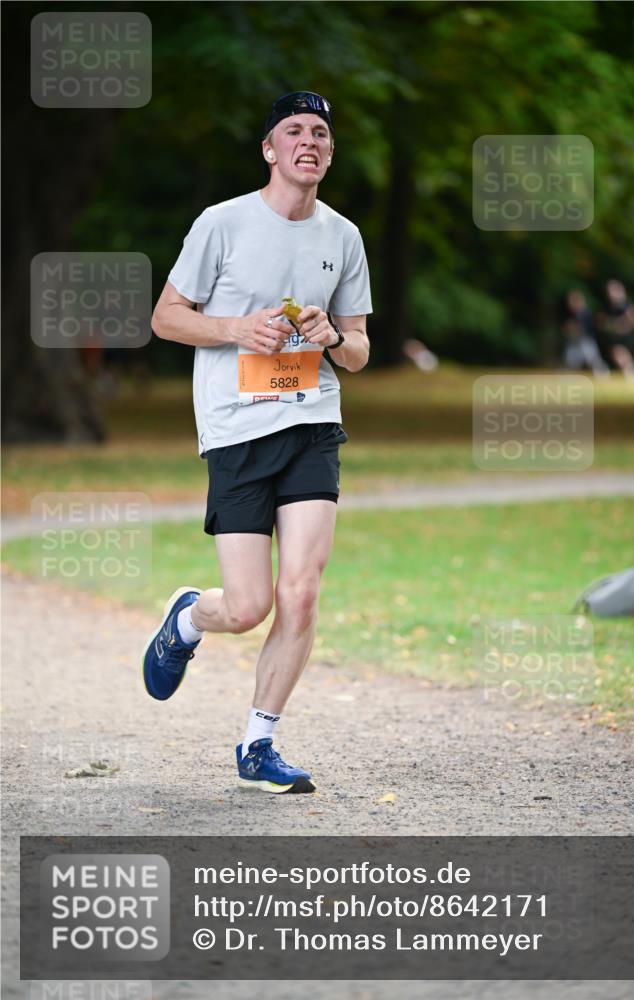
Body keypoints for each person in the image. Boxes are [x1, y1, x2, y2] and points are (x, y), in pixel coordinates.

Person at [142, 92, 372, 794]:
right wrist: (238, 329)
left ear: (328, 155)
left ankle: (258, 743)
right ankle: (188, 618)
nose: (309, 140)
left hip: (311, 421)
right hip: (238, 427)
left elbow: (359, 349)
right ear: (270, 151)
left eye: (321, 133)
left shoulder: (343, 237)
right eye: (294, 130)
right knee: (246, 608)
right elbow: (165, 318)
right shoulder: (223, 224)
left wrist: (335, 339)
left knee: (299, 593)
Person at [597, 279, 634, 377]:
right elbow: (600, 322)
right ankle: (631, 372)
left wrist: (623, 324)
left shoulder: (627, 305)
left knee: (621, 355)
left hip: (626, 337)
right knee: (618, 355)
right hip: (613, 338)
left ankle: (631, 372)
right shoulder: (607, 307)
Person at [561, 289, 609, 376]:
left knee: (593, 360)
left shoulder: (587, 313)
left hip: (586, 342)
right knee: (571, 361)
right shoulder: (570, 314)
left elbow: (588, 329)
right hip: (574, 342)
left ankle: (603, 374)